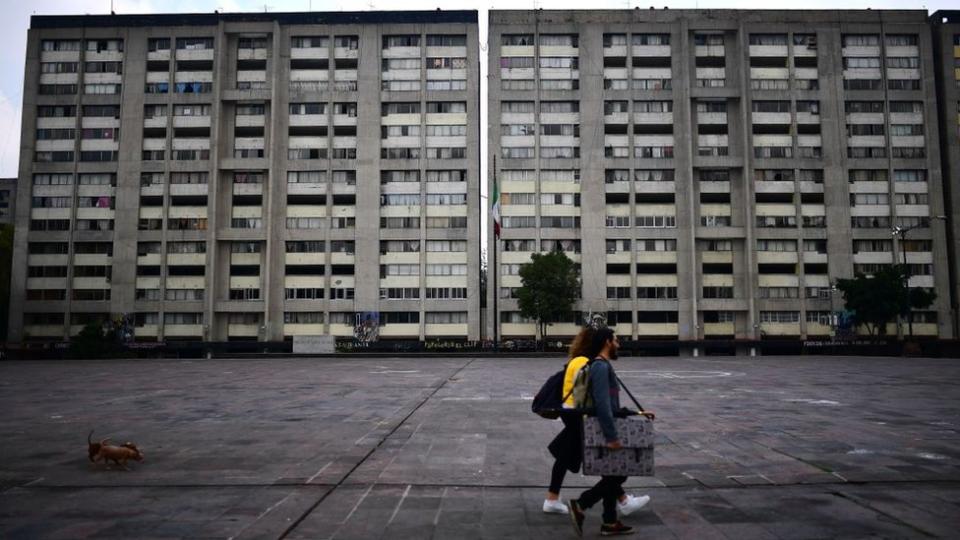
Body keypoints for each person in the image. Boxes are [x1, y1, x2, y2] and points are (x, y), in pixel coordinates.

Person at [543, 326, 648, 519]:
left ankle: (614, 510)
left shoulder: (578, 361)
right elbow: (590, 396)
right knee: (607, 464)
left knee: (568, 457)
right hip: (580, 416)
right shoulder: (587, 363)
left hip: (572, 414)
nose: (616, 343)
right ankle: (612, 503)